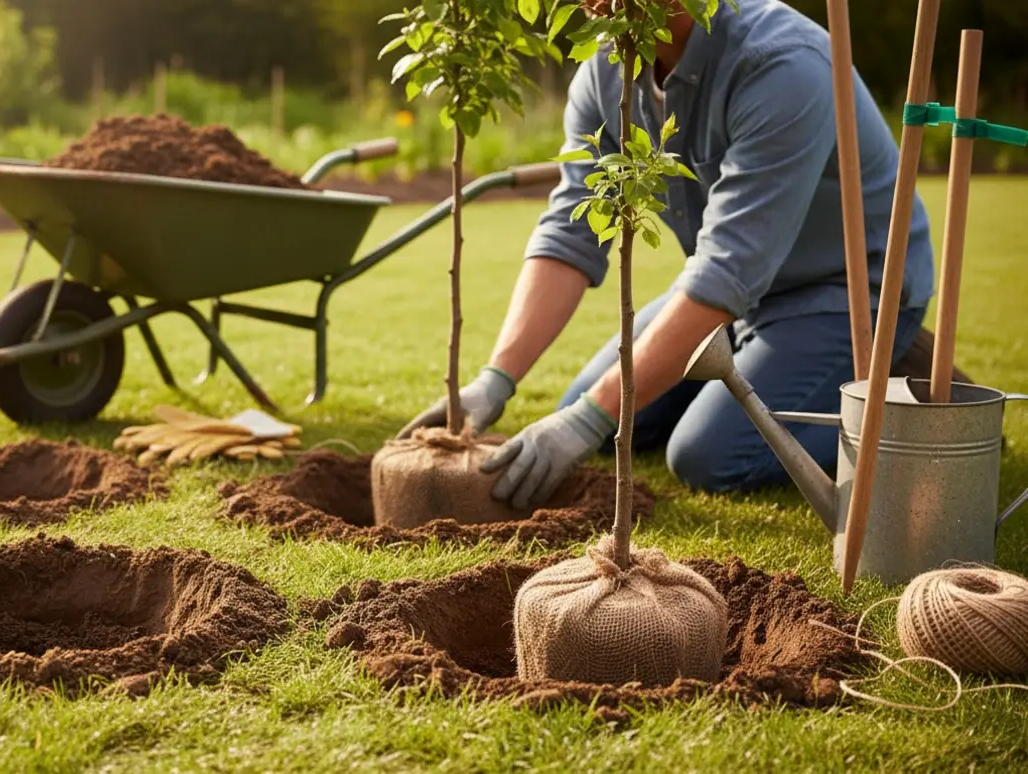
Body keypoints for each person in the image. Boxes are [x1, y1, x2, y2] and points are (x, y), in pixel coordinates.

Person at [397, 0, 934, 510]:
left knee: (709, 457)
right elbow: (571, 231)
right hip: (733, 298)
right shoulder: (606, 70)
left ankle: (904, 398)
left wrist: (591, 417)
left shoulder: (780, 65)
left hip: (848, 296)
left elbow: (728, 267)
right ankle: (779, 374)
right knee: (590, 416)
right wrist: (495, 380)